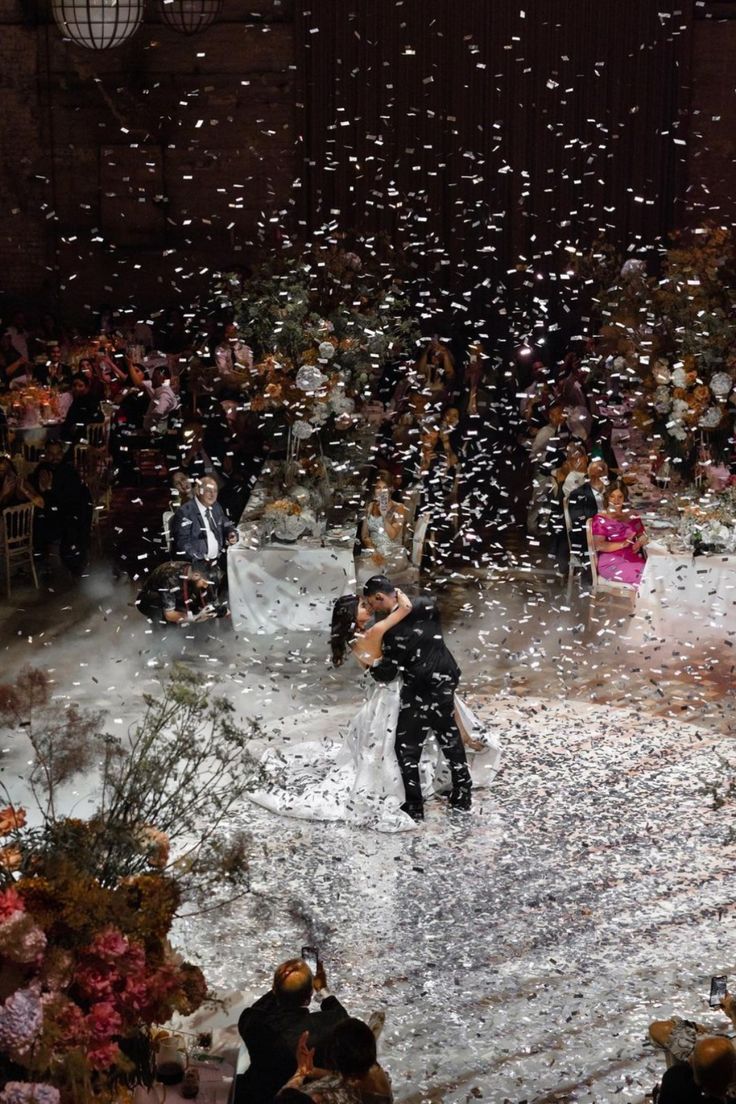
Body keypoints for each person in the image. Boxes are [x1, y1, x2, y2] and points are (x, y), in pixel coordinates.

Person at [364, 575, 473, 820]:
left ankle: (414, 806)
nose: (373, 610)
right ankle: (463, 794)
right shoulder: (427, 604)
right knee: (449, 736)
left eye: (373, 604)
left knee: (407, 747)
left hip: (421, 689)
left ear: (380, 597)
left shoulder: (391, 632)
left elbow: (388, 673)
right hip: (446, 676)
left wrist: (371, 665)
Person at [236, 957, 349, 1104]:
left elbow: (258, 1008)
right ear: (308, 999)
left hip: (257, 1095)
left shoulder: (251, 1022)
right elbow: (343, 1017)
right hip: (300, 1097)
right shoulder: (325, 1026)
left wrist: (280, 984)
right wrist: (322, 989)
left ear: (275, 989)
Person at [277, 1018, 393, 1103]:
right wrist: (306, 1071)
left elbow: (284, 1098)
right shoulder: (373, 1073)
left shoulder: (324, 1097)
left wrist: (301, 1072)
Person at [172, 474, 238, 581]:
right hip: (199, 565)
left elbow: (226, 522)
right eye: (208, 490)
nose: (212, 494)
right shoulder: (185, 512)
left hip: (219, 558)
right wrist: (200, 558)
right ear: (198, 491)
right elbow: (182, 544)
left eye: (215, 491)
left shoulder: (215, 506)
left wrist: (231, 532)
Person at [590, 480, 648, 587]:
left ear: (624, 498)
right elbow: (599, 545)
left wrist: (640, 542)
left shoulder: (631, 515)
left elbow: (643, 535)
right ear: (607, 498)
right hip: (610, 563)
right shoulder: (600, 519)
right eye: (612, 496)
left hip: (632, 558)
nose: (616, 500)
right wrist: (623, 544)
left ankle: (643, 602)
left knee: (653, 573)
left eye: (620, 497)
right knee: (646, 578)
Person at [358, 472, 410, 581]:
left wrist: (384, 515)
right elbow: (365, 536)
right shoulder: (370, 506)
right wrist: (374, 551)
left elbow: (392, 535)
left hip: (393, 553)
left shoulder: (399, 508)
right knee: (360, 570)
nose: (381, 492)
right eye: (378, 488)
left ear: (390, 489)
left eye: (385, 488)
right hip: (374, 550)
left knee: (373, 574)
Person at [135, 561, 221, 625]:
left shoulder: (194, 571)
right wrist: (195, 618)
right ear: (196, 575)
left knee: (193, 608)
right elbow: (170, 614)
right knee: (167, 623)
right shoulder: (170, 578)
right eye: (205, 582)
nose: (205, 586)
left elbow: (209, 596)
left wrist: (219, 609)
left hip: (176, 596)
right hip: (152, 600)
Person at [566, 459, 608, 556]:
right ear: (588, 476)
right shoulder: (578, 495)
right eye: (593, 476)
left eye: (601, 475)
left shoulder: (611, 491)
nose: (597, 479)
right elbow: (579, 524)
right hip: (589, 540)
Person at [62, 373, 102, 443]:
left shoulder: (92, 399)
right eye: (74, 385)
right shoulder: (77, 399)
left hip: (85, 439)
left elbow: (98, 417)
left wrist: (79, 425)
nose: (77, 388)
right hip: (71, 435)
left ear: (87, 387)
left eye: (80, 386)